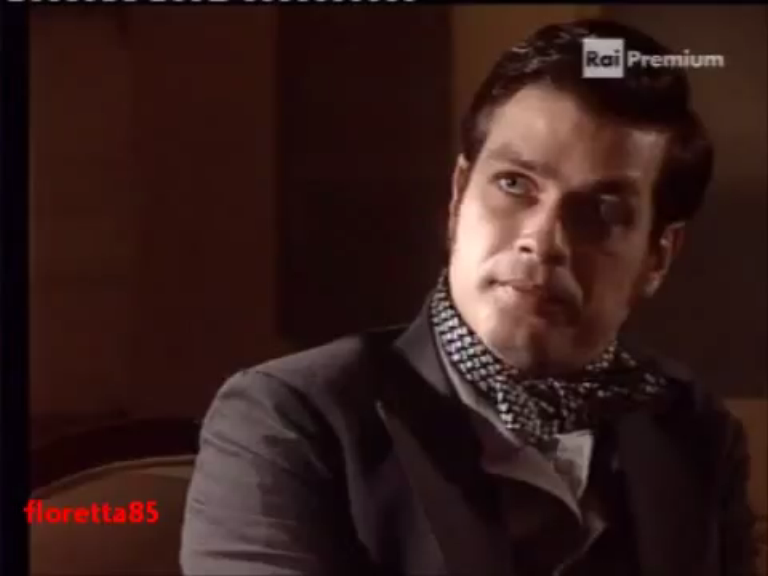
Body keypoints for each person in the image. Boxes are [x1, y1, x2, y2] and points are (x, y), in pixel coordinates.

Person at [180, 19, 757, 576]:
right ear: (459, 197)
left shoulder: (696, 432)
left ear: (657, 257)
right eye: (514, 184)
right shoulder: (293, 418)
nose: (543, 241)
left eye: (602, 212)